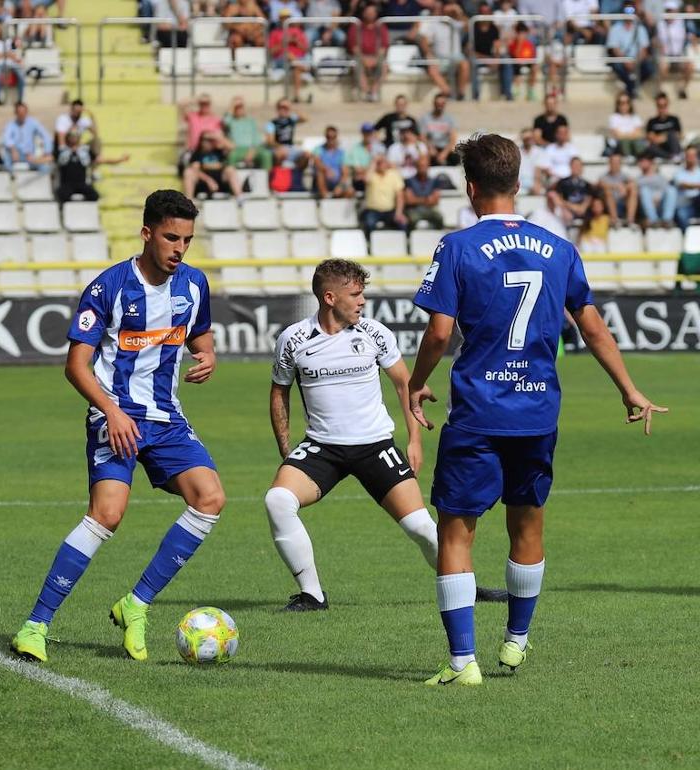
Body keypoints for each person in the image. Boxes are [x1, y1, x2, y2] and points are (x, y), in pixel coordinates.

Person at [407, 132, 667, 686]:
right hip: (536, 412)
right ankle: (517, 642)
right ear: (519, 184)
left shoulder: (456, 247)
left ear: (471, 188)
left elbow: (438, 331)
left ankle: (462, 664)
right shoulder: (560, 247)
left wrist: (416, 383)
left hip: (478, 411)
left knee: (457, 531)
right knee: (527, 524)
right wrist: (629, 389)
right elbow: (592, 326)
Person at [9, 190, 225, 664]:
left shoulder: (194, 284)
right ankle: (35, 626)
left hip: (166, 419)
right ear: (147, 233)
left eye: (187, 240)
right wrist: (110, 410)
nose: (179, 248)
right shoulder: (108, 287)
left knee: (210, 498)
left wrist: (207, 356)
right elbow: (76, 366)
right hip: (116, 416)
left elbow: (201, 336)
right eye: (171, 237)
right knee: (107, 514)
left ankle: (136, 604)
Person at [265, 259, 507, 612]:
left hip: (375, 446)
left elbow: (405, 384)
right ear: (330, 297)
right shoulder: (294, 339)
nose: (362, 301)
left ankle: (467, 588)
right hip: (320, 448)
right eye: (356, 294)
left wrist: (414, 439)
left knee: (422, 528)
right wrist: (288, 450)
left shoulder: (374, 333)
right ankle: (312, 595)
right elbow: (278, 393)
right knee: (277, 501)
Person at [55, 130, 129, 204]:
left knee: (94, 196)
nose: (73, 138)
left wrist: (120, 160)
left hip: (81, 183)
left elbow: (102, 160)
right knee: (61, 195)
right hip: (67, 184)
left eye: (75, 136)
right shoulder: (62, 151)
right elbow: (50, 159)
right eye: (71, 136)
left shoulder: (85, 151)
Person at [606, 8, 654, 99]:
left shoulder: (640, 28)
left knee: (650, 68)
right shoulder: (616, 28)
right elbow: (614, 49)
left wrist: (636, 62)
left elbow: (644, 49)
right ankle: (633, 88)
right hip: (622, 59)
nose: (629, 15)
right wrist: (626, 61)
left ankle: (630, 88)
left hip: (637, 59)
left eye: (631, 13)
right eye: (627, 13)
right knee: (617, 65)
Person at [183, 131, 242, 202]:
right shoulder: (197, 153)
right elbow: (195, 170)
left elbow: (233, 147)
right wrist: (209, 181)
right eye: (206, 140)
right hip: (204, 182)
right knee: (188, 172)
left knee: (230, 169)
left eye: (210, 140)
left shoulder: (219, 151)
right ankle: (189, 201)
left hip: (220, 180)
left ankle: (240, 198)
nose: (208, 142)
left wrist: (217, 137)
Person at [349, 4, 388, 101]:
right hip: (360, 56)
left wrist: (375, 59)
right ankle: (366, 92)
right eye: (368, 12)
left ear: (376, 14)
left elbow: (383, 47)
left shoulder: (381, 26)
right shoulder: (356, 26)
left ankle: (373, 92)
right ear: (363, 13)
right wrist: (363, 59)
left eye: (372, 12)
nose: (370, 14)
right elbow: (354, 47)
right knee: (357, 64)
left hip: (376, 56)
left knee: (384, 65)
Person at [1, 102, 53, 175]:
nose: (22, 114)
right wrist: (13, 150)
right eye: (19, 112)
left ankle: (38, 184)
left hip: (29, 155)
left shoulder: (33, 122)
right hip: (14, 154)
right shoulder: (10, 125)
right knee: (6, 158)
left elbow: (46, 136)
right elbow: (6, 139)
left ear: (26, 112)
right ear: (15, 113)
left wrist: (47, 151)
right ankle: (11, 180)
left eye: (23, 112)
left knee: (45, 167)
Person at [360, 155, 407, 236]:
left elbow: (400, 196)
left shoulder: (394, 174)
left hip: (390, 211)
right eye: (379, 162)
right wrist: (374, 161)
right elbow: (366, 180)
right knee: (369, 224)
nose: (381, 164)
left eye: (382, 162)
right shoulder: (372, 174)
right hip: (373, 211)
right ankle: (369, 245)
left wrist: (398, 213)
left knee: (402, 224)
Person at [404, 154, 453, 230]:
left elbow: (435, 200)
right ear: (416, 167)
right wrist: (426, 199)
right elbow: (409, 200)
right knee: (411, 220)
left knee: (439, 218)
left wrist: (417, 199)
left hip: (430, 209)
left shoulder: (434, 181)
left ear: (428, 167)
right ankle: (409, 240)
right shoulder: (408, 181)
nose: (422, 168)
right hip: (414, 210)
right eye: (420, 166)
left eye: (424, 166)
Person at [223, 97, 272, 170]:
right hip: (238, 149)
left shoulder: (251, 121)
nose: (239, 109)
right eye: (237, 107)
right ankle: (231, 179)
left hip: (252, 148)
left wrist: (253, 150)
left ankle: (267, 179)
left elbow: (256, 137)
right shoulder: (231, 120)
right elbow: (225, 121)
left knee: (266, 155)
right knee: (232, 156)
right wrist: (232, 105)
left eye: (241, 107)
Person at [550, 157, 596, 228]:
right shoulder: (562, 182)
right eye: (574, 165)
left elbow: (584, 207)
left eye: (578, 165)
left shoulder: (587, 185)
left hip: (583, 214)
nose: (576, 168)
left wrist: (568, 205)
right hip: (566, 213)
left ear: (582, 168)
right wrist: (569, 207)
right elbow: (559, 201)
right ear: (570, 167)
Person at [637, 155, 679, 227]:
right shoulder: (638, 180)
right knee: (644, 191)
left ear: (650, 163)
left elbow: (666, 191)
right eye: (640, 162)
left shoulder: (660, 177)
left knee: (671, 190)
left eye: (644, 161)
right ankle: (653, 220)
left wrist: (657, 197)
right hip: (646, 206)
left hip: (661, 203)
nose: (641, 163)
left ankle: (667, 220)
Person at [598, 152, 639, 226]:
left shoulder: (625, 176)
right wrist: (616, 186)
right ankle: (615, 219)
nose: (615, 165)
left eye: (617, 162)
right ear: (609, 163)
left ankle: (630, 220)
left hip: (622, 202)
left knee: (633, 190)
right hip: (609, 204)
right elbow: (600, 184)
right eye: (613, 162)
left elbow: (633, 184)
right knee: (608, 192)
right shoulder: (604, 177)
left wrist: (625, 188)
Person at [315, 125, 353, 199]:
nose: (331, 139)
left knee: (350, 191)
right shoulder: (319, 149)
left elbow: (345, 173)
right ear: (325, 137)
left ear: (336, 137)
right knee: (320, 172)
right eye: (328, 137)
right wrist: (327, 170)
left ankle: (338, 202)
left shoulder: (341, 153)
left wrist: (340, 186)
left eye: (333, 137)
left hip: (337, 182)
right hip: (324, 181)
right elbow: (317, 162)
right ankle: (325, 197)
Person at [643, 92, 683, 161]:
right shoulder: (652, 121)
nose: (662, 109)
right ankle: (672, 157)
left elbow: (679, 136)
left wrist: (666, 136)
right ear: (656, 106)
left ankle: (675, 156)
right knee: (649, 147)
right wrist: (667, 136)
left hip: (673, 147)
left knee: (671, 134)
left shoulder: (674, 119)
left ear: (667, 105)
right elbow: (653, 139)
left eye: (664, 105)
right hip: (660, 149)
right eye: (659, 106)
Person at [606, 92, 646, 158]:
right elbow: (617, 135)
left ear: (630, 104)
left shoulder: (635, 117)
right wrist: (631, 135)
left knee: (639, 143)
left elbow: (639, 134)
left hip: (634, 144)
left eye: (627, 102)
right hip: (620, 145)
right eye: (621, 103)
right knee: (625, 142)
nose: (624, 105)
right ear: (617, 104)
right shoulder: (614, 117)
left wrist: (625, 135)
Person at [422, 93, 458, 166]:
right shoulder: (425, 118)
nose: (440, 106)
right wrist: (430, 148)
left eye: (442, 104)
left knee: (456, 158)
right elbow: (423, 137)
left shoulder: (450, 119)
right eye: (438, 104)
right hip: (431, 148)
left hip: (445, 148)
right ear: (434, 104)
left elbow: (453, 139)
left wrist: (444, 153)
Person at [673, 146, 700, 229]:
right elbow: (681, 185)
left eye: (693, 155)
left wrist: (689, 186)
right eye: (688, 155)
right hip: (685, 204)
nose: (691, 158)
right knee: (682, 215)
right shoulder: (678, 172)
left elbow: (685, 185)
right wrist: (696, 186)